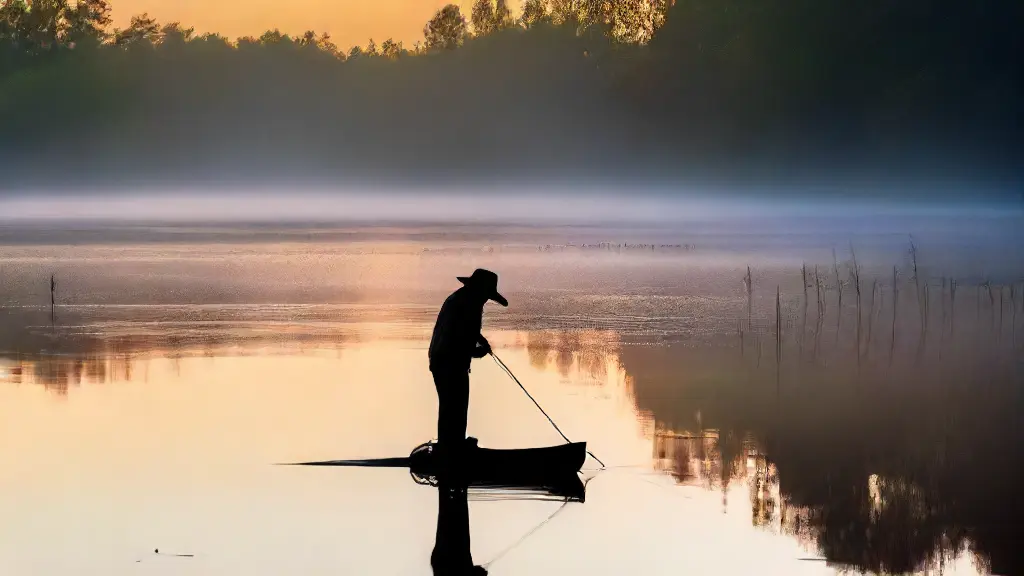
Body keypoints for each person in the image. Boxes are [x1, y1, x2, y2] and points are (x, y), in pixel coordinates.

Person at [428, 269, 508, 464]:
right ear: (479, 290)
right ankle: (451, 453)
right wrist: (476, 351)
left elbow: (467, 331)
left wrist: (480, 341)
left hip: (445, 360)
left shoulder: (462, 299)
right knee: (454, 406)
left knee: (453, 406)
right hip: (448, 361)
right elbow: (456, 338)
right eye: (486, 296)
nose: (486, 300)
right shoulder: (466, 303)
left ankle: (452, 449)